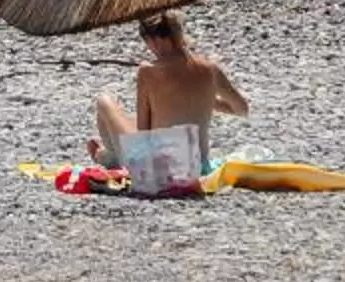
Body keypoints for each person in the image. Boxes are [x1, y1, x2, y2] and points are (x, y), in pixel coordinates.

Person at [87, 10, 248, 167]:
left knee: (104, 102)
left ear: (155, 40)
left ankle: (110, 158)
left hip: (158, 170)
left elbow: (144, 133)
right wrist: (206, 101)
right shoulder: (210, 69)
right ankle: (110, 156)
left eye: (147, 42)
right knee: (131, 119)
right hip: (196, 166)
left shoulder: (148, 71)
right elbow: (242, 109)